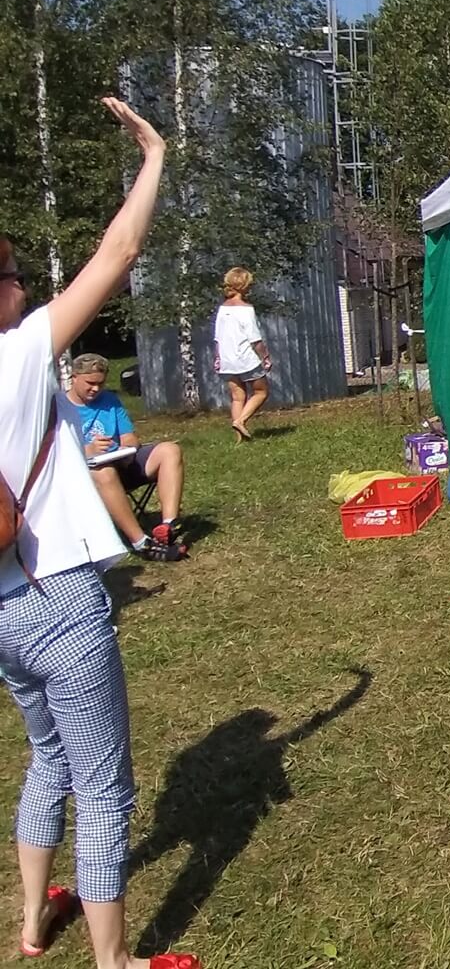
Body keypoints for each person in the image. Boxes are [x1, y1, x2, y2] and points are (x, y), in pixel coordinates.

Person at [0, 98, 200, 968]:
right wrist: (153, 155)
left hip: (1, 612)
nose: (24, 289)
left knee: (46, 757)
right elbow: (119, 253)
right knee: (104, 786)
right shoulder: (16, 352)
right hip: (59, 597)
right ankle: (116, 961)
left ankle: (32, 921)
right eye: (15, 277)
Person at [63, 353, 186, 561]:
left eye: (101, 384)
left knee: (169, 450)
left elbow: (129, 437)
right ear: (74, 377)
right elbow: (55, 452)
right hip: (86, 477)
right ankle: (141, 543)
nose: (96, 389)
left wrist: (126, 450)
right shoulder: (60, 408)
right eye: (90, 383)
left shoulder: (109, 400)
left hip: (121, 464)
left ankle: (168, 526)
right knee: (104, 472)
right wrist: (86, 450)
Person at [213, 267, 270, 440]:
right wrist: (265, 357)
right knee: (261, 392)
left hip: (227, 359)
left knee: (237, 398)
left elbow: (218, 337)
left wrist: (218, 357)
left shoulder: (222, 308)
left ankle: (240, 438)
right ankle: (241, 421)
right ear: (244, 286)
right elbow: (255, 338)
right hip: (246, 359)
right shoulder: (246, 309)